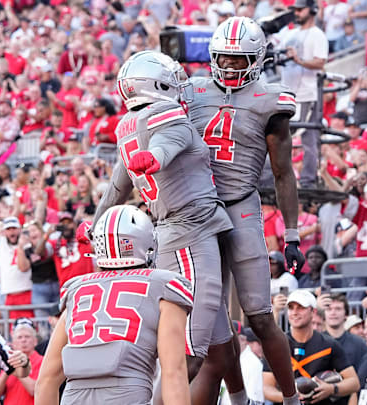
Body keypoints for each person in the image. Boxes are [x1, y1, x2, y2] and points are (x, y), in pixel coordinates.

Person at [91, 51, 234, 404]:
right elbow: (166, 146)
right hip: (189, 236)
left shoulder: (127, 126)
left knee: (221, 350)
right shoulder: (165, 114)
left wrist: (95, 227)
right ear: (156, 85)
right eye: (174, 80)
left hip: (177, 233)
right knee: (188, 353)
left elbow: (114, 191)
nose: (181, 86)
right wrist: (154, 158)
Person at [187, 16, 305, 405]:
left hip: (241, 209)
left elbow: (283, 173)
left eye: (240, 60)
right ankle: (238, 400)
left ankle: (289, 399)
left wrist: (292, 234)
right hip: (200, 215)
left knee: (258, 314)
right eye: (225, 58)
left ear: (257, 59)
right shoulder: (191, 91)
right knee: (215, 326)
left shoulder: (271, 100)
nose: (232, 66)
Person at [34, 205, 192, 405]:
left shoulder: (77, 290)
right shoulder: (163, 286)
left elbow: (46, 380)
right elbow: (174, 373)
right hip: (127, 396)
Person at [264, 290, 360, 405]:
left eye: (301, 308)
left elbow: (354, 382)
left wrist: (331, 389)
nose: (295, 312)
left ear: (313, 312)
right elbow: (266, 387)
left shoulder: (329, 344)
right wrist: (290, 398)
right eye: (291, 308)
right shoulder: (276, 346)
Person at [280, 0, 328, 187]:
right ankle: (277, 177)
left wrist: (298, 60)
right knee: (279, 138)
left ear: (313, 10)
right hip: (287, 93)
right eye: (296, 10)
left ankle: (308, 180)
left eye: (301, 9)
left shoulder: (318, 35)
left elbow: (320, 62)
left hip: (307, 93)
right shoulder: (290, 33)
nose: (297, 13)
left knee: (309, 138)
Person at [0, 318, 44, 404]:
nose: (23, 340)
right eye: (19, 337)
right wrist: (7, 371)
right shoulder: (10, 361)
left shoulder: (42, 361)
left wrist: (17, 369)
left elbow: (34, 390)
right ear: (13, 343)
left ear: (35, 341)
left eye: (27, 337)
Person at [320, 294, 367, 370]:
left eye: (338, 309)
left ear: (346, 315)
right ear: (324, 314)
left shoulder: (360, 344)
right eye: (329, 309)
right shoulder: (317, 342)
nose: (333, 313)